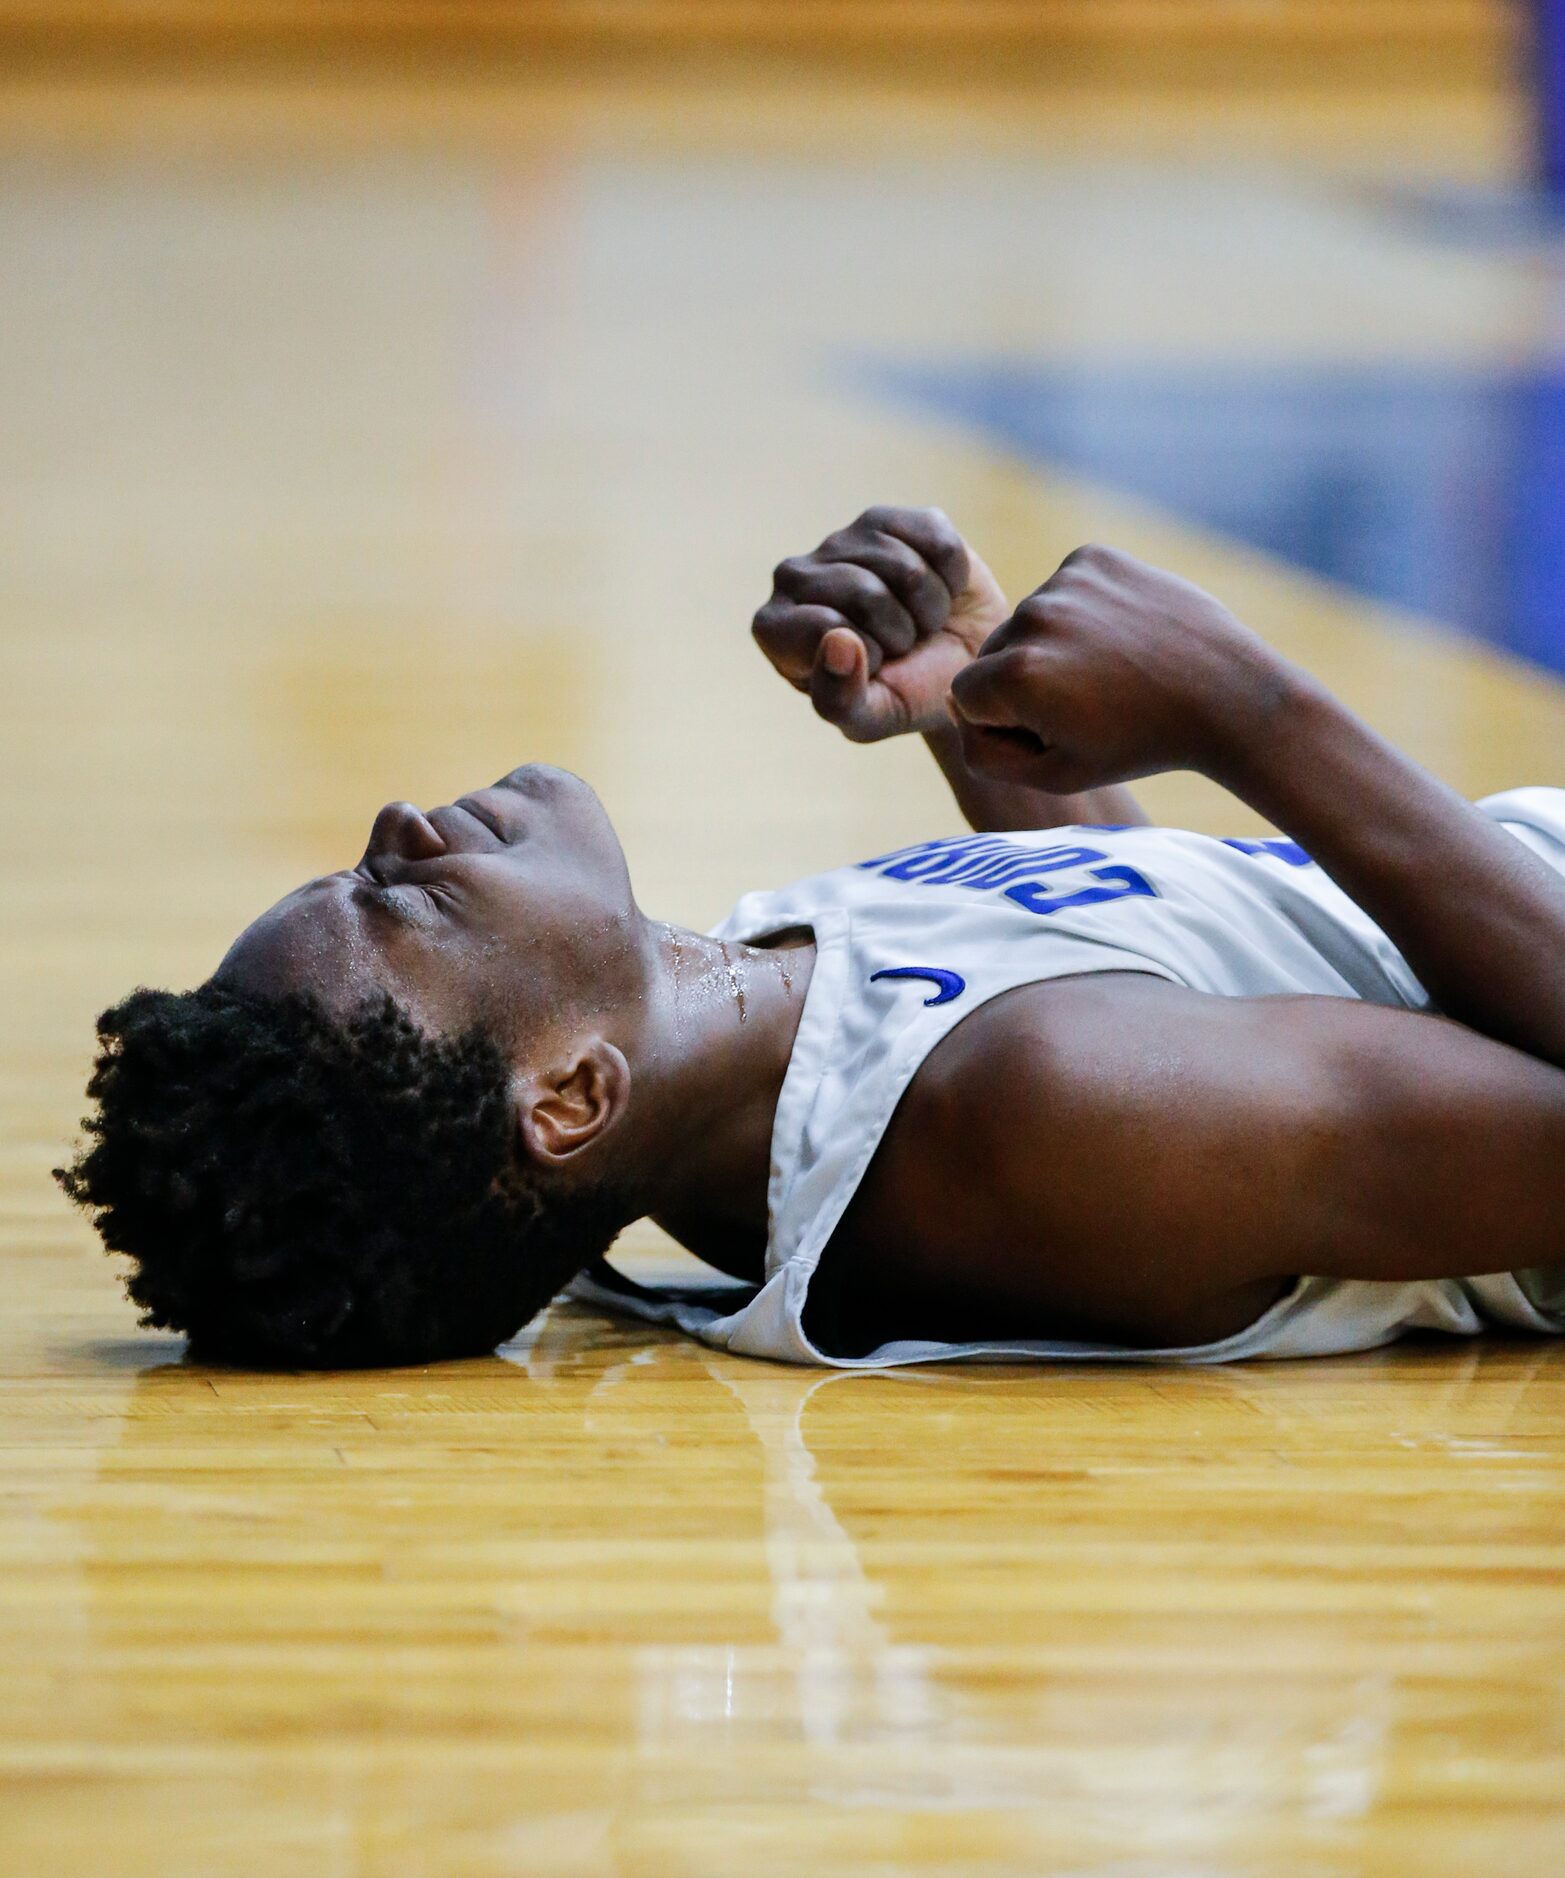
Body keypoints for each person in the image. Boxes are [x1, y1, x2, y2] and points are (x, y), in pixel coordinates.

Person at [58, 507, 1565, 1371]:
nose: (398, 821)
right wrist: (1248, 709)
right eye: (401, 903)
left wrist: (984, 712)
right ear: (573, 1097)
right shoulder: (1042, 1120)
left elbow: (1203, 977)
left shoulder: (787, 1082)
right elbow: (1149, 1092)